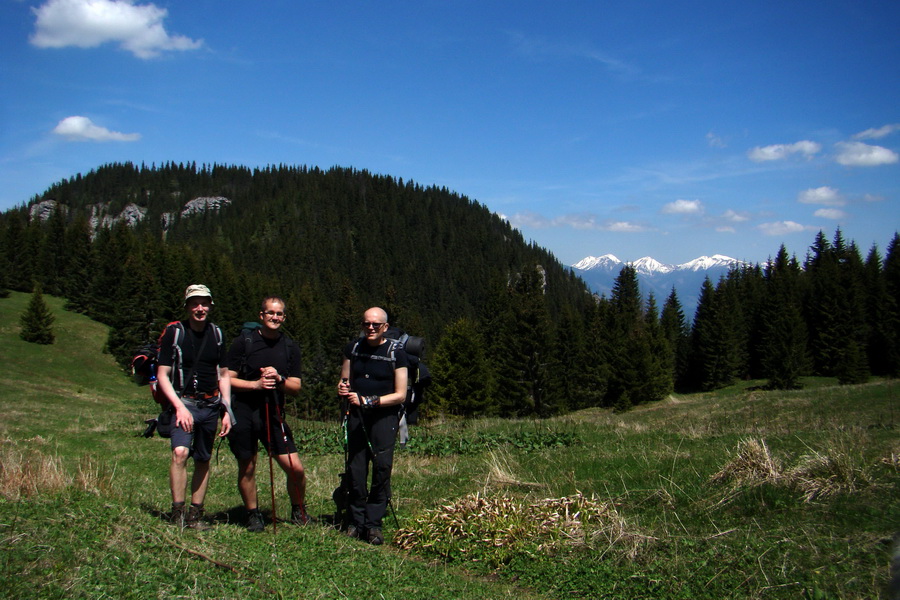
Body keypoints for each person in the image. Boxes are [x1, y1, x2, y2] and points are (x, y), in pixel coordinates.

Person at [226, 296, 307, 532]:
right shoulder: (244, 342)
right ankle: (253, 515)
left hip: (273, 413)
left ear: (284, 317)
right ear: (261, 316)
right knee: (248, 466)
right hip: (244, 410)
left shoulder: (290, 347)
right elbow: (227, 379)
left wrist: (279, 379)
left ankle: (298, 511)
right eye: (270, 313)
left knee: (295, 468)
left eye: (279, 313)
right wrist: (256, 385)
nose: (275, 317)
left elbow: (296, 387)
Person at [156, 284, 232, 530]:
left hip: (210, 404)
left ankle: (195, 515)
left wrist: (226, 409)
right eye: (195, 303)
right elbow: (163, 375)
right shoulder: (175, 333)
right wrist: (179, 407)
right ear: (187, 307)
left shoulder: (217, 334)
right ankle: (177, 512)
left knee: (203, 458)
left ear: (210, 305)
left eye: (204, 303)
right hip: (184, 402)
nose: (200, 308)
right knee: (180, 453)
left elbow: (223, 374)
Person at [337, 307, 409, 545]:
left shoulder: (396, 353)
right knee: (356, 470)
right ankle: (356, 522)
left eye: (375, 325)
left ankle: (373, 524)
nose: (370, 328)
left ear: (385, 327)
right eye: (366, 323)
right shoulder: (353, 349)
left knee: (381, 468)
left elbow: (400, 395)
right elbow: (345, 379)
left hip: (384, 417)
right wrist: (343, 388)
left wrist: (370, 401)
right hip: (357, 416)